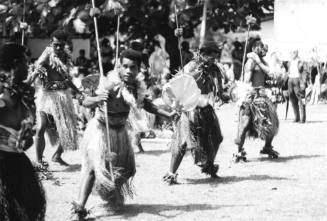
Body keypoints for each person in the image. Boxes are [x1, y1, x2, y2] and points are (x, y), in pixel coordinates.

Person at [71, 49, 175, 220]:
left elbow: (146, 104)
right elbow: (85, 101)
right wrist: (96, 100)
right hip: (101, 131)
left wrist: (168, 114)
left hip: (120, 132)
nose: (128, 71)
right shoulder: (110, 84)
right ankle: (79, 209)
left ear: (138, 69)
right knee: (92, 168)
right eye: (124, 66)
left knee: (126, 169)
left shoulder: (136, 87)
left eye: (132, 67)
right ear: (119, 66)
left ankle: (111, 196)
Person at [163, 40, 226, 185]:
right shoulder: (191, 66)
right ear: (203, 55)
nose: (214, 60)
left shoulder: (214, 70)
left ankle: (209, 166)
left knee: (217, 137)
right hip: (189, 108)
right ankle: (171, 173)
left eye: (216, 56)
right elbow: (177, 83)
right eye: (212, 56)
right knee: (183, 141)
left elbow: (218, 89)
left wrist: (223, 94)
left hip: (205, 107)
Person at [0, 43, 46, 220]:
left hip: (18, 163)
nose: (29, 67)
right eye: (26, 63)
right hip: (3, 164)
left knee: (29, 209)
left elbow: (25, 138)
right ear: (15, 64)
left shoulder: (22, 92)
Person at [26, 30, 81, 167]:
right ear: (51, 43)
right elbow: (37, 68)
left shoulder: (66, 57)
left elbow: (66, 80)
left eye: (61, 45)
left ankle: (57, 155)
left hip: (62, 96)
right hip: (46, 97)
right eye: (55, 45)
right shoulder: (47, 54)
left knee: (68, 129)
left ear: (65, 45)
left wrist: (79, 91)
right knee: (41, 127)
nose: (58, 48)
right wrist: (29, 81)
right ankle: (39, 162)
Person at [234, 39, 279, 162]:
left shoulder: (261, 61)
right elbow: (247, 81)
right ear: (254, 48)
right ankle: (238, 151)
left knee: (272, 123)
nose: (264, 48)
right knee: (244, 124)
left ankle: (267, 146)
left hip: (263, 96)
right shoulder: (251, 62)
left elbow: (267, 75)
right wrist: (246, 95)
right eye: (261, 47)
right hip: (252, 97)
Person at [287, 50, 306, 123]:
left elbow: (305, 72)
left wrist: (303, 82)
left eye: (293, 52)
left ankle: (302, 118)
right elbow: (288, 71)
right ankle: (297, 117)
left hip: (298, 80)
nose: (292, 54)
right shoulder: (289, 62)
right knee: (292, 99)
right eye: (291, 53)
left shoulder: (301, 62)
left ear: (296, 53)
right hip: (290, 80)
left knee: (302, 100)